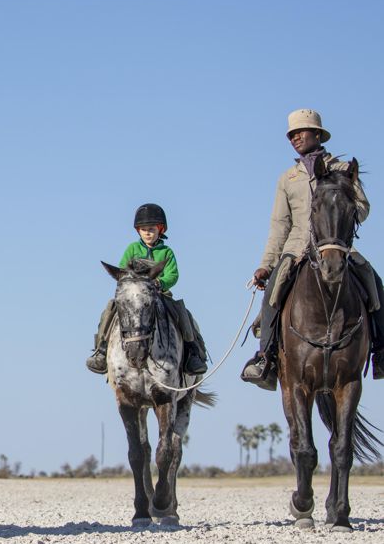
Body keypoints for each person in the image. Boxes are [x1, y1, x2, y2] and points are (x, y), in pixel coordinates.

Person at [241, 109, 384, 390]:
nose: (295, 138)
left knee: (373, 281)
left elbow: (363, 209)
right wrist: (266, 264)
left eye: (301, 132)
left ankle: (380, 350)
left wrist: (342, 208)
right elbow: (279, 226)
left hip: (336, 246)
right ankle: (265, 358)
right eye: (291, 134)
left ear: (317, 134)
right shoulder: (288, 179)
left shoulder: (342, 170)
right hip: (297, 249)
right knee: (272, 294)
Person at [86, 203, 208, 376]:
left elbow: (173, 275)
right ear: (138, 231)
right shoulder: (132, 249)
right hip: (134, 296)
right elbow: (123, 270)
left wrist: (160, 283)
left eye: (151, 229)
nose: (148, 233)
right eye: (143, 229)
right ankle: (102, 349)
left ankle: (193, 352)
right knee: (110, 309)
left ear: (160, 229)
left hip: (160, 294)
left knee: (183, 312)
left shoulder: (167, 252)